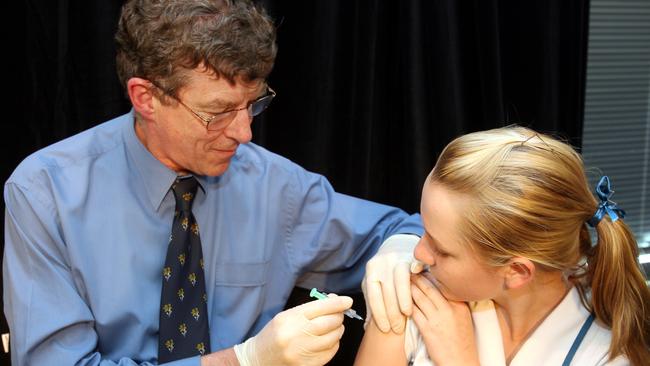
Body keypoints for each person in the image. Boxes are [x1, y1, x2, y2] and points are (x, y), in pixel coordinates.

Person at [3, 0, 423, 365]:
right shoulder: (47, 192)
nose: (244, 133)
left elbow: (408, 231)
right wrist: (246, 360)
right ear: (145, 98)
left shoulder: (275, 188)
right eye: (218, 112)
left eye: (252, 105)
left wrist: (401, 251)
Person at [354, 126, 650, 366]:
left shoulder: (607, 354)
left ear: (518, 270)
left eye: (442, 249)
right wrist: (395, 242)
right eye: (424, 232)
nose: (418, 252)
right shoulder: (417, 297)